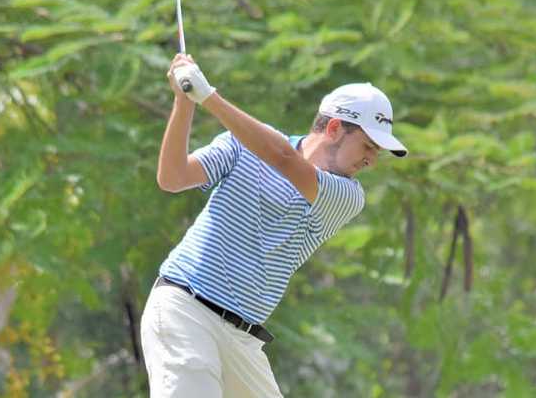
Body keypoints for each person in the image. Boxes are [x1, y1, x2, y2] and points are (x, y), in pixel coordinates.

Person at [140, 53, 407, 397]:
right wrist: (185, 101)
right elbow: (173, 177)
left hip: (243, 339)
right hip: (185, 307)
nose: (371, 159)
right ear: (334, 128)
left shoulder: (347, 196)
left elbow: (283, 158)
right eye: (368, 145)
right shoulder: (242, 143)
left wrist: (208, 96)